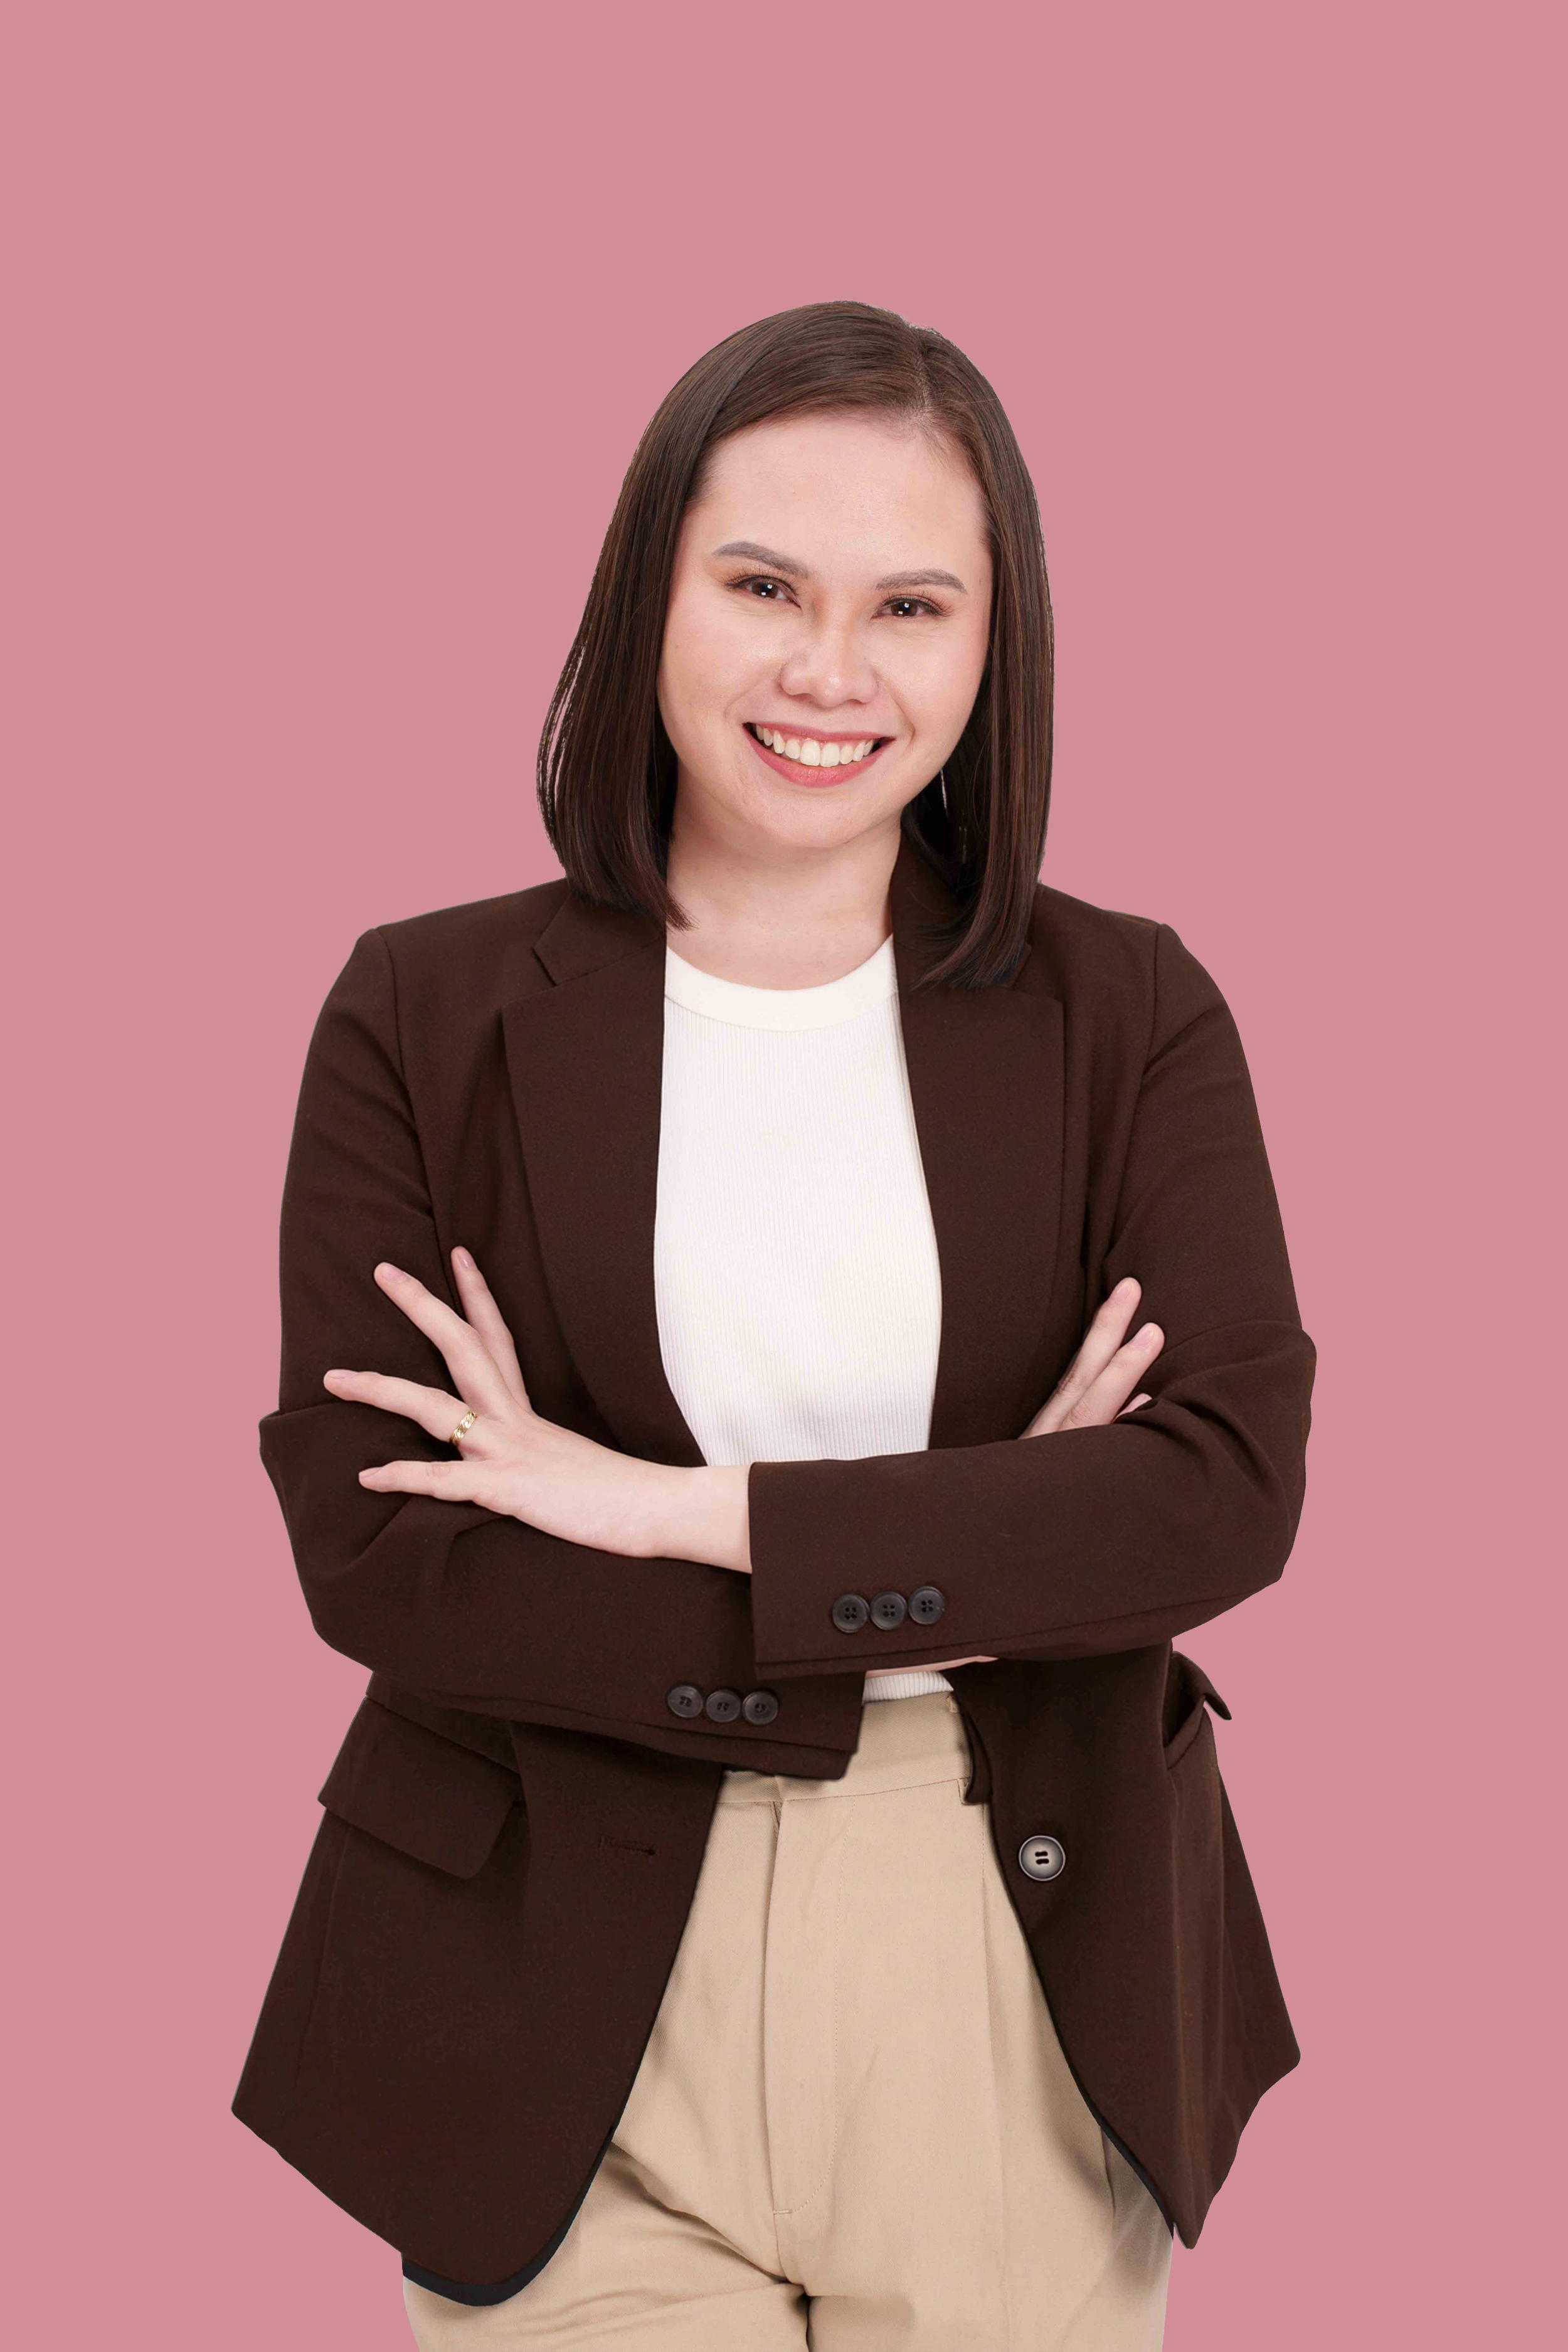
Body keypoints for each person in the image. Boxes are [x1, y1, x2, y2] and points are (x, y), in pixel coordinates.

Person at [234, 300, 1315, 2349]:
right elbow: (381, 1546)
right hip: (551, 1965)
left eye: (911, 603)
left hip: (1006, 1941)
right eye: (762, 586)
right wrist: (974, 1551)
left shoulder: (1130, 1011)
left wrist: (657, 1509)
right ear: (651, 594)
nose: (832, 670)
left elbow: (1216, 1502)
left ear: (993, 649)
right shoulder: (419, 1008)